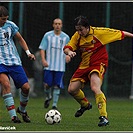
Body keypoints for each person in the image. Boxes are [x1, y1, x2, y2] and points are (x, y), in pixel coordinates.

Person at [63, 15, 133, 127]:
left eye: (81, 30)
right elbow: (68, 47)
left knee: (95, 88)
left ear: (87, 27)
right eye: (77, 30)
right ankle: (85, 105)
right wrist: (69, 53)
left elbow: (121, 33)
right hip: (84, 65)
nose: (79, 32)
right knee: (72, 89)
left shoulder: (99, 33)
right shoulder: (77, 36)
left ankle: (103, 117)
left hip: (98, 63)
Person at [0, 6, 35, 123]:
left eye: (6, 18)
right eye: (3, 19)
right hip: (0, 63)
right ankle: (13, 116)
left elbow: (20, 39)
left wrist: (28, 53)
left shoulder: (10, 25)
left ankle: (22, 110)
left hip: (14, 61)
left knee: (26, 88)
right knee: (6, 85)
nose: (5, 21)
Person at [39, 18, 70, 110]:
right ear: (53, 25)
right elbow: (42, 48)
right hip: (49, 65)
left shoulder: (66, 37)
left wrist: (68, 56)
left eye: (59, 24)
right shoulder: (47, 35)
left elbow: (69, 49)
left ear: (61, 25)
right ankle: (48, 97)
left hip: (60, 66)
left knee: (57, 85)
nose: (57, 25)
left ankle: (54, 105)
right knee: (47, 84)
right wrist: (43, 60)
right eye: (56, 24)